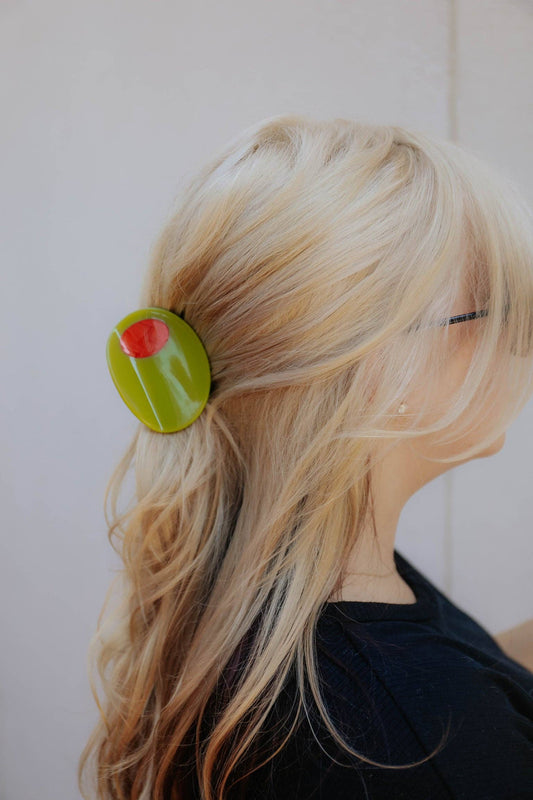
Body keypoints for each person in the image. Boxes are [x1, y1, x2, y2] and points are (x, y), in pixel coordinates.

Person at [79, 114, 533, 800]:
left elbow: (442, 677)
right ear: (384, 368)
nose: (521, 345)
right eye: (504, 310)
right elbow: (435, 720)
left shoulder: (300, 582)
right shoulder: (411, 742)